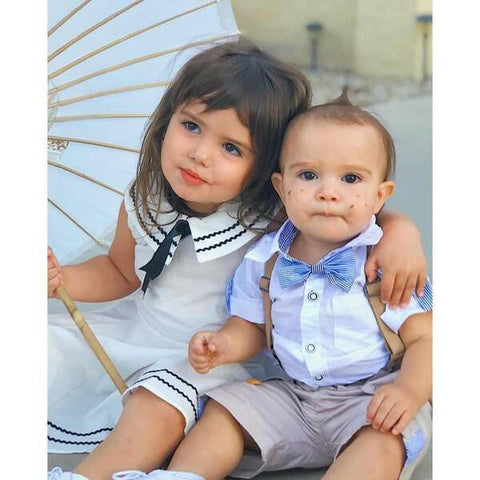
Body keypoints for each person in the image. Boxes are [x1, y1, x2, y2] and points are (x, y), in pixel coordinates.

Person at [47, 40, 428, 480]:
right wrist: (62, 279)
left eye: (231, 148)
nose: (201, 154)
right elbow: (119, 271)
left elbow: (348, 216)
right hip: (141, 330)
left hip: (212, 358)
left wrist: (402, 232)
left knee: (155, 407)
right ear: (167, 119)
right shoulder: (145, 198)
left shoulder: (268, 215)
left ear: (265, 167)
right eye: (191, 126)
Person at [131, 96, 433, 480]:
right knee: (225, 412)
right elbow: (252, 327)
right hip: (293, 397)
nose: (328, 192)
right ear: (281, 186)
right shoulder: (264, 260)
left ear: (380, 195)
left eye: (350, 179)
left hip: (371, 398)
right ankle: (183, 475)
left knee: (384, 441)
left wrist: (409, 390)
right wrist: (224, 344)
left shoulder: (385, 262)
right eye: (308, 175)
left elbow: (427, 339)